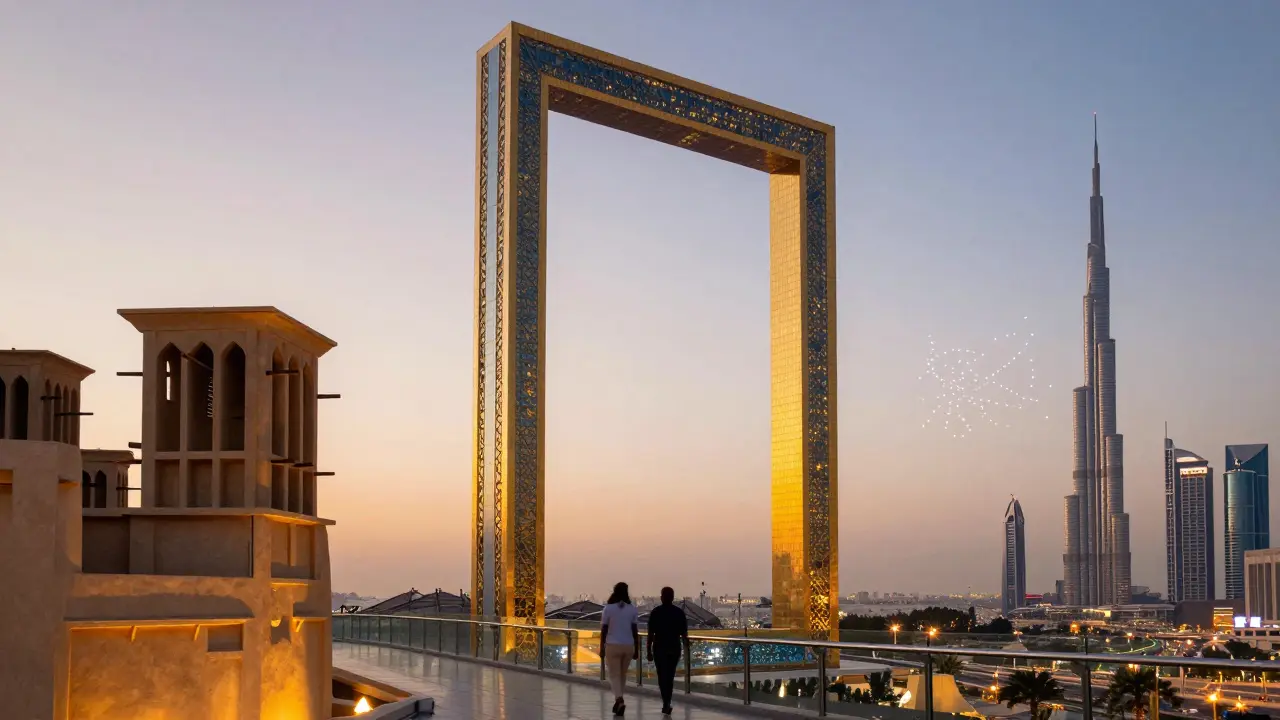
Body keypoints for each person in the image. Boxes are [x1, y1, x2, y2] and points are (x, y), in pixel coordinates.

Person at [646, 587, 689, 715]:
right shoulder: (679, 613)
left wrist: (648, 650)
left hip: (659, 648)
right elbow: (684, 634)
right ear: (672, 597)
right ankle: (667, 702)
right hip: (674, 648)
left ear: (662, 597)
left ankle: (665, 702)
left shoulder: (656, 612)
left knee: (662, 676)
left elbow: (650, 634)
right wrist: (686, 646)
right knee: (670, 676)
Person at [600, 581, 640, 716]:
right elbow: (635, 631)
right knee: (622, 675)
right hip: (628, 646)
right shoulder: (632, 609)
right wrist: (637, 648)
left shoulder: (608, 609)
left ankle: (619, 699)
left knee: (614, 675)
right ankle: (619, 701)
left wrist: (601, 646)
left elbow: (604, 629)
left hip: (612, 645)